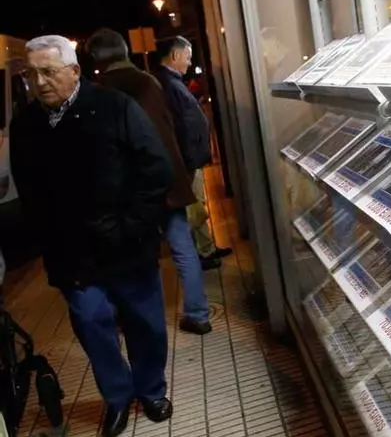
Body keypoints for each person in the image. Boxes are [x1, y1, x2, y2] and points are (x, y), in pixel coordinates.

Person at [10, 35, 173, 436]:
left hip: (127, 245)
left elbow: (155, 169)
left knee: (145, 324)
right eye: (31, 74)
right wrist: (47, 240)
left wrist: (131, 225)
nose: (40, 82)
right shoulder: (26, 124)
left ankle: (151, 390)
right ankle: (117, 398)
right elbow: (28, 190)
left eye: (48, 71)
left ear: (74, 71)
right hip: (73, 255)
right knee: (92, 327)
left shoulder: (114, 107)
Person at [86, 29, 213, 335]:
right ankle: (198, 314)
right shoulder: (149, 82)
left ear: (96, 60)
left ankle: (138, 319)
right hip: (168, 179)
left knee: (137, 256)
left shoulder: (100, 93)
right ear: (124, 51)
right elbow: (172, 127)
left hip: (131, 192)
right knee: (183, 247)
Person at [153, 36, 231, 268]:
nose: (189, 63)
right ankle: (199, 255)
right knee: (194, 209)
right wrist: (188, 163)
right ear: (175, 55)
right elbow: (179, 128)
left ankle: (206, 248)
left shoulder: (171, 82)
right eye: (187, 57)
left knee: (198, 206)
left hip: (190, 160)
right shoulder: (169, 85)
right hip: (187, 163)